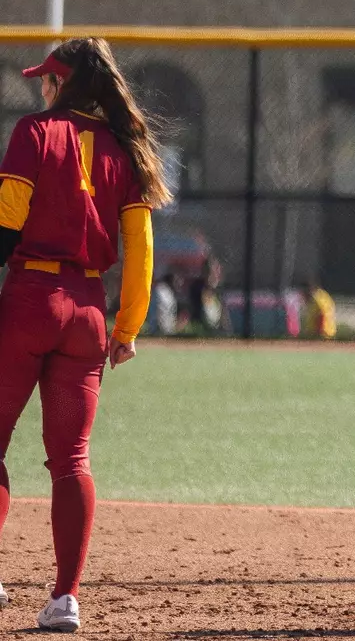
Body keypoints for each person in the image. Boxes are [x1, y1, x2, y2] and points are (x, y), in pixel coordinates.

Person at [0, 38, 169, 631]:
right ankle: (64, 599)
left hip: (31, 299)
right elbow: (141, 252)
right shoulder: (126, 152)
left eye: (47, 78)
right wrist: (127, 326)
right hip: (89, 311)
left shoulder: (34, 132)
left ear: (60, 83)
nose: (41, 87)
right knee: (71, 461)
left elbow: (5, 225)